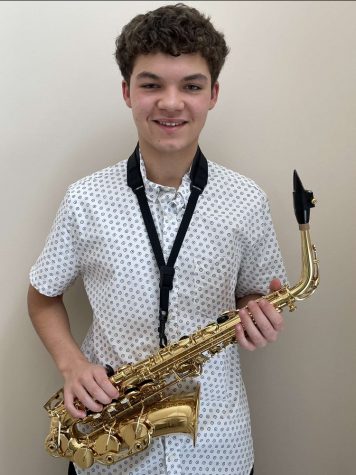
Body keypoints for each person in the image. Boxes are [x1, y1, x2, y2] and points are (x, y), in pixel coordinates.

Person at [28, 4, 287, 475]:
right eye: (151, 85)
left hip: (218, 446)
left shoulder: (247, 200)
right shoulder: (85, 198)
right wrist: (71, 366)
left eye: (191, 85)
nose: (171, 102)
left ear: (213, 94)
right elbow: (42, 296)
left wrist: (256, 313)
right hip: (110, 447)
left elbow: (254, 293)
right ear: (127, 92)